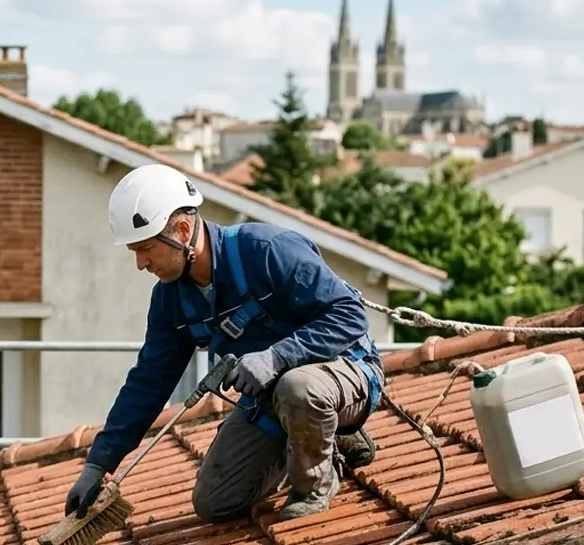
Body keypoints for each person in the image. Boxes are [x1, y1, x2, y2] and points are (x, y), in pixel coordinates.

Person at [65, 163, 385, 524]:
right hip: (271, 400)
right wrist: (99, 463)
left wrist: (277, 357)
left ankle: (314, 486)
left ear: (183, 230)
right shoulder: (171, 301)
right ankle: (324, 441)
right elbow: (148, 382)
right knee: (214, 503)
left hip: (344, 375)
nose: (141, 264)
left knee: (299, 388)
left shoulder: (267, 250)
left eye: (145, 249)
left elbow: (349, 315)